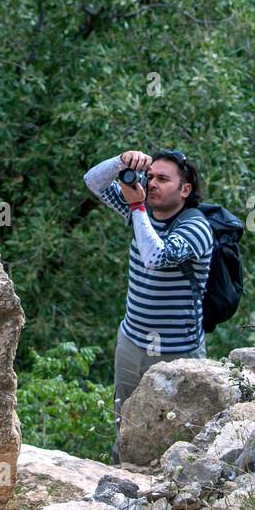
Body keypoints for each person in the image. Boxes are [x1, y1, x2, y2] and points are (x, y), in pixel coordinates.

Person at [83, 148, 214, 466]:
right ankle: (121, 475)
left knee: (179, 431)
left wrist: (137, 205)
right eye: (150, 176)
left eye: (163, 179)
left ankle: (170, 494)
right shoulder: (141, 215)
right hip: (131, 342)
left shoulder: (196, 228)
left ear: (185, 190)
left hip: (177, 353)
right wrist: (121, 162)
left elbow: (157, 258)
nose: (152, 183)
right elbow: (93, 181)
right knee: (124, 420)